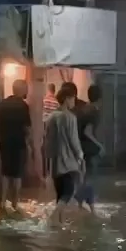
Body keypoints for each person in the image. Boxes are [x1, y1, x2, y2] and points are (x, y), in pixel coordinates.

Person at [45, 81, 86, 221]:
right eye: (73, 98)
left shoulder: (51, 117)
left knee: (60, 194)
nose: (74, 101)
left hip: (55, 163)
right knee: (68, 193)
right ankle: (52, 219)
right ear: (68, 98)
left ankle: (59, 223)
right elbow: (74, 141)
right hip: (68, 163)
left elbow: (47, 142)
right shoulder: (69, 117)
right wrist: (80, 157)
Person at [0, 79, 34, 212]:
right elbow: (27, 128)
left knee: (5, 173)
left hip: (4, 143)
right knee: (17, 175)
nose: (27, 91)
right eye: (26, 88)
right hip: (19, 144)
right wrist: (31, 145)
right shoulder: (23, 106)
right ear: (21, 89)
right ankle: (15, 203)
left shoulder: (2, 104)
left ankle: (1, 203)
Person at [76, 84, 104, 213]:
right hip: (89, 148)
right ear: (100, 99)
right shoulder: (94, 111)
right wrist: (99, 145)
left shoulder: (83, 109)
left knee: (84, 175)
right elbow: (88, 132)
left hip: (80, 146)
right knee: (90, 177)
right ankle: (91, 207)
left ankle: (81, 203)